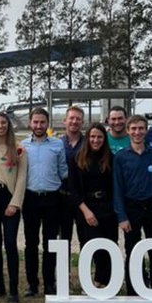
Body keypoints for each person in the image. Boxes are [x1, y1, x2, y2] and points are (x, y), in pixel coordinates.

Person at [113, 114, 152, 293]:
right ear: (128, 131)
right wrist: (122, 216)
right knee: (133, 249)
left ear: (146, 130)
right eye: (133, 129)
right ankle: (135, 288)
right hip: (131, 207)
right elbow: (117, 188)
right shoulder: (120, 157)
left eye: (141, 128)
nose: (137, 132)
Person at [22, 106, 68, 296]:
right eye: (35, 122)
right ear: (30, 123)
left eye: (42, 122)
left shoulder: (57, 145)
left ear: (48, 123)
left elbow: (63, 170)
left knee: (50, 243)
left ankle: (50, 283)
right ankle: (32, 284)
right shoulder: (22, 145)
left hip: (52, 199)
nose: (39, 125)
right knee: (30, 244)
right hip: (30, 199)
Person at [0, 112, 27, 303]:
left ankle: (13, 289)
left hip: (9, 198)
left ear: (8, 125)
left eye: (3, 123)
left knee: (10, 243)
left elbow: (22, 178)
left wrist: (15, 203)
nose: (0, 126)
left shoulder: (18, 150)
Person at [68, 123, 118, 288]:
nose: (96, 140)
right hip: (85, 208)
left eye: (99, 137)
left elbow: (115, 186)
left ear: (105, 139)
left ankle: (105, 281)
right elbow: (73, 189)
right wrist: (86, 211)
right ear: (87, 138)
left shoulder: (111, 159)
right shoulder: (76, 159)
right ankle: (89, 282)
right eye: (92, 137)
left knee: (108, 245)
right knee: (90, 246)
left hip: (107, 208)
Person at [58, 105, 85, 246]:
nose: (74, 121)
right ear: (65, 120)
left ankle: (85, 267)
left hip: (83, 198)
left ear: (83, 122)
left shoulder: (88, 143)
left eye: (78, 119)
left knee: (85, 237)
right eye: (71, 118)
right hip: (63, 197)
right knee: (64, 238)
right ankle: (64, 268)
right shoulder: (56, 143)